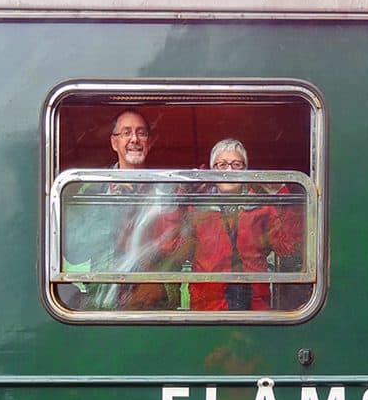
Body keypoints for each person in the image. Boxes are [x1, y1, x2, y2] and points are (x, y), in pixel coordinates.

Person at [155, 138, 303, 311]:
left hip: (255, 310)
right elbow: (170, 248)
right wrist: (180, 194)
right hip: (208, 310)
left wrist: (281, 193)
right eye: (222, 165)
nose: (229, 171)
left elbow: (289, 247)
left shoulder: (262, 207)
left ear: (246, 171)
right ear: (212, 171)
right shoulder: (197, 209)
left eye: (237, 165)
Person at [60, 109, 176, 310]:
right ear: (114, 143)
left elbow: (177, 248)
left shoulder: (166, 189)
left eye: (141, 133)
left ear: (150, 142)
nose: (134, 139)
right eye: (126, 133)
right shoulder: (93, 187)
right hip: (103, 300)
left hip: (152, 300)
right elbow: (75, 252)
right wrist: (114, 221)